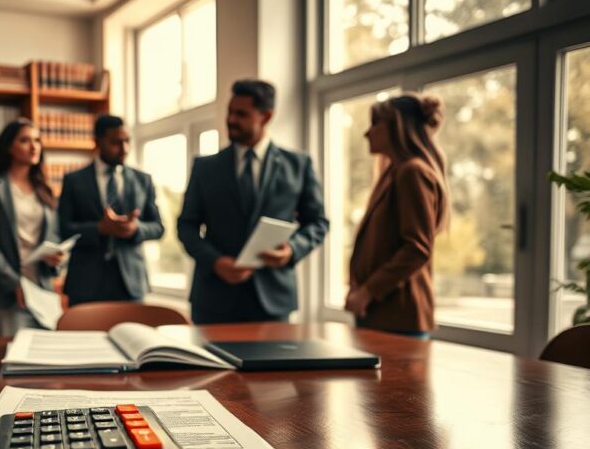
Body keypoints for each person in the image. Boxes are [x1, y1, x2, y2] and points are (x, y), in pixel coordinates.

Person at [177, 79, 329, 324]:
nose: (231, 120)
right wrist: (216, 262)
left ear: (266, 116)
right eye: (230, 111)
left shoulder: (299, 165)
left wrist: (291, 251)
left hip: (273, 300)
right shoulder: (205, 167)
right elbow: (186, 226)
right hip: (213, 301)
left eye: (241, 114)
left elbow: (318, 223)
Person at [345, 93, 449, 338]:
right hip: (380, 315)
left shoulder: (412, 172)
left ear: (397, 126)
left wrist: (368, 291)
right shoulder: (393, 173)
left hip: (398, 318)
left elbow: (417, 248)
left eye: (375, 124)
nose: (367, 133)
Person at [0, 119, 66, 337]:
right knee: (8, 362)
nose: (34, 147)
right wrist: (14, 283)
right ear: (8, 147)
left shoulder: (45, 190)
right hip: (5, 294)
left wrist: (56, 259)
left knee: (46, 362)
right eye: (25, 140)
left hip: (42, 291)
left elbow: (54, 236)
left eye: (37, 140)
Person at [58, 114, 164, 306]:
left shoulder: (143, 180)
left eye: (127, 141)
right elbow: (63, 229)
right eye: (116, 142)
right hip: (85, 283)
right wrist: (99, 229)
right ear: (97, 142)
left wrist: (135, 229)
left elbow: (158, 227)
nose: (124, 149)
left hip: (131, 283)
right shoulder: (73, 181)